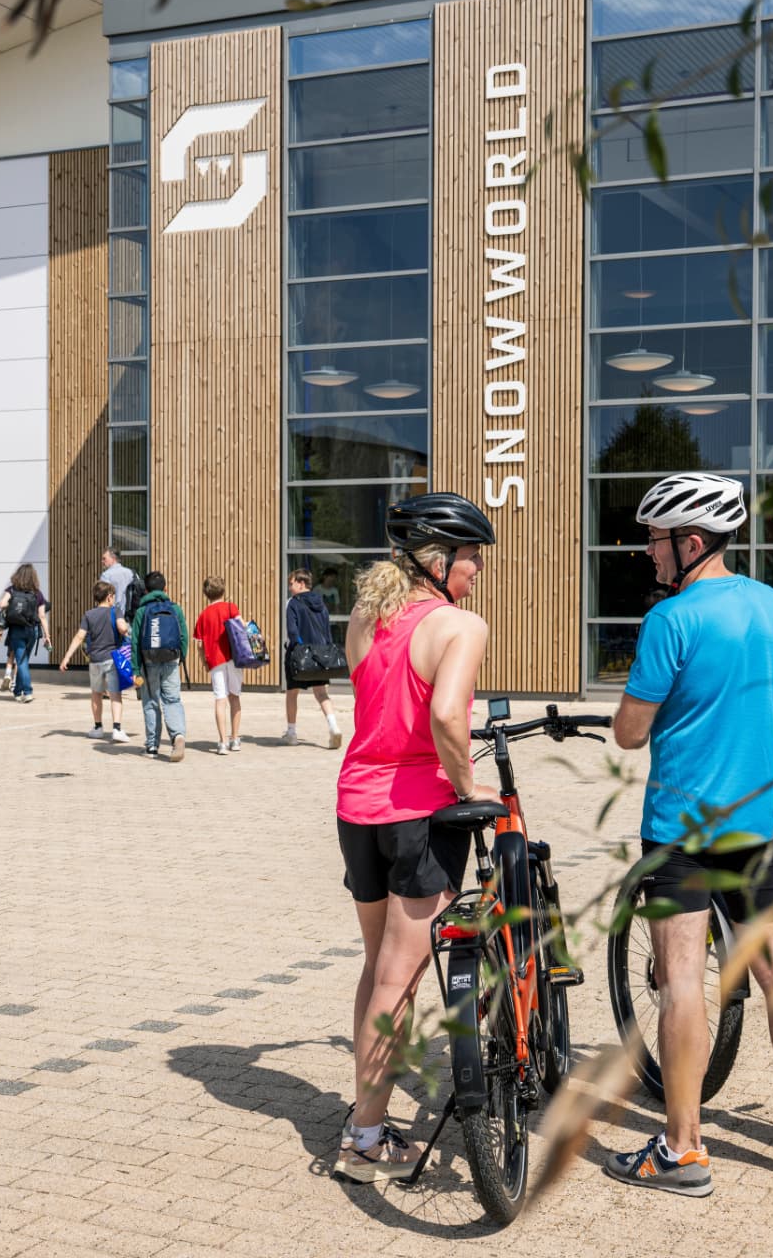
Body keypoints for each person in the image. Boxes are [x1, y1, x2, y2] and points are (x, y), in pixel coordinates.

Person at [603, 472, 773, 1198]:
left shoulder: (670, 621)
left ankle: (684, 1152)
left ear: (692, 542)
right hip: (752, 831)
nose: (649, 554)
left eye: (655, 541)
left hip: (681, 834)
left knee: (681, 985)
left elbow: (627, 731)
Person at [332, 492, 493, 1183]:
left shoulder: (368, 615)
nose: (478, 568)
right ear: (438, 561)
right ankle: (366, 1137)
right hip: (418, 815)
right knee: (402, 977)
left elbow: (372, 698)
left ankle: (364, 1115)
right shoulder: (460, 626)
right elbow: (448, 718)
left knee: (378, 969)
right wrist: (468, 789)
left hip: (355, 808)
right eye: (470, 556)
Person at [126, 570, 189, 762]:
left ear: (145, 590)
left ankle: (152, 745)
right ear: (165, 588)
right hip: (170, 659)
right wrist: (180, 658)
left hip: (148, 661)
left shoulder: (142, 611)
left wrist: (135, 670)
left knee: (151, 701)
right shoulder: (175, 609)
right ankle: (178, 736)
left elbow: (135, 642)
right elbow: (183, 636)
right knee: (172, 699)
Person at [56, 581, 130, 744]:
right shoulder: (115, 610)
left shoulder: (89, 614)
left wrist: (67, 657)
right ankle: (117, 729)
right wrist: (127, 629)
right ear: (109, 596)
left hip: (95, 660)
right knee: (115, 694)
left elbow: (79, 637)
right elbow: (122, 628)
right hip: (112, 659)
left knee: (96, 693)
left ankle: (97, 728)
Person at [281, 569, 342, 748]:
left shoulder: (293, 603)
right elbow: (326, 629)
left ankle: (291, 733)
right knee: (321, 693)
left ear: (301, 583)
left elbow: (293, 631)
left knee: (292, 693)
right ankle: (334, 727)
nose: (290, 587)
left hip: (299, 654)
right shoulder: (321, 602)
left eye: (291, 584)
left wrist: (298, 647)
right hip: (320, 654)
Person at [192, 577, 244, 753]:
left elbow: (199, 644)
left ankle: (222, 742)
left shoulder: (203, 615)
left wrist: (204, 662)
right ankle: (235, 739)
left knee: (220, 699)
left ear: (206, 594)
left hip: (215, 660)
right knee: (234, 697)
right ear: (223, 590)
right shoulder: (231, 608)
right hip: (234, 658)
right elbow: (242, 627)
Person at [0, 564, 48, 703]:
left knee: (21, 661)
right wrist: (47, 636)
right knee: (23, 661)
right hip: (32, 630)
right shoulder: (37, 593)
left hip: (16, 630)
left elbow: (1, 604)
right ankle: (18, 692)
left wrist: (12, 605)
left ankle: (27, 691)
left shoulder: (12, 590)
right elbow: (42, 616)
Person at [100, 548, 138, 620]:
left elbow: (104, 599)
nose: (102, 561)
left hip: (112, 617)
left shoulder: (106, 575)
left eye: (104, 558)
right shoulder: (131, 573)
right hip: (130, 617)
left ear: (113, 558)